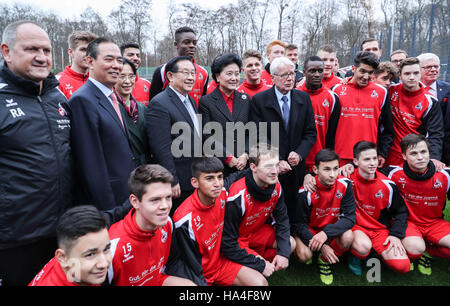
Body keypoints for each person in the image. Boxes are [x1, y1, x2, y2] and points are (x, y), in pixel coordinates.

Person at [0, 20, 73, 286]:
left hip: (61, 234)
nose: (42, 57)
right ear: (6, 52)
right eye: (32, 49)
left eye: (47, 50)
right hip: (15, 239)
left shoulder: (58, 98)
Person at [166, 157, 267, 286]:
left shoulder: (222, 193)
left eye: (219, 177)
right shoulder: (183, 220)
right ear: (195, 182)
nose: (217, 183)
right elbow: (187, 262)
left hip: (220, 262)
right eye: (209, 178)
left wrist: (261, 168)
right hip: (199, 273)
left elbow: (237, 175)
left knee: (260, 283)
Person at [69, 37, 135, 211]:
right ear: (90, 61)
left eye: (119, 60)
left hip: (125, 194)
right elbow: (90, 164)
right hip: (109, 203)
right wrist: (110, 211)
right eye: (108, 59)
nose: (116, 65)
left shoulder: (112, 98)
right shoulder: (82, 100)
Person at [250, 56, 317, 222]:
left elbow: (310, 133)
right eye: (284, 75)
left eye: (293, 74)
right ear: (272, 78)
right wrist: (277, 160)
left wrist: (300, 154)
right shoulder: (260, 100)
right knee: (274, 213)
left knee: (296, 213)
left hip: (296, 168)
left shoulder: (303, 98)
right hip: (271, 168)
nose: (290, 78)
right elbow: (258, 135)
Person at [108, 164, 196, 286]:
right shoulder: (112, 246)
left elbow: (173, 262)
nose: (165, 206)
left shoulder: (168, 224)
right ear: (135, 202)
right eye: (155, 200)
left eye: (168, 197)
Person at [221, 144, 295, 278]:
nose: (274, 171)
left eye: (276, 165)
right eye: (268, 166)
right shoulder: (236, 196)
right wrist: (260, 264)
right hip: (236, 241)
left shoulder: (276, 185)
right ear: (253, 167)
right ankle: (254, 266)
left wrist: (283, 254)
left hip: (256, 232)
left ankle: (258, 263)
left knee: (290, 244)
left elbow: (282, 220)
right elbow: (227, 244)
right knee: (259, 282)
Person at [385, 134, 449, 274]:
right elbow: (368, 172)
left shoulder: (445, 174)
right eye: (413, 153)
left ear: (429, 153)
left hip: (435, 223)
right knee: (415, 249)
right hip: (409, 223)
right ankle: (419, 251)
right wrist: (350, 167)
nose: (420, 157)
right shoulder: (393, 173)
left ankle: (429, 251)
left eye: (423, 152)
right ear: (403, 156)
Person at [146, 56, 202, 214]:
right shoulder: (159, 103)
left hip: (193, 175)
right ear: (170, 76)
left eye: (193, 73)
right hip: (178, 182)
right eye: (185, 73)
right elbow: (161, 147)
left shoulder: (189, 100)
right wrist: (171, 180)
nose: (191, 77)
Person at [292, 149, 355, 285]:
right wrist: (322, 246)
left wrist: (326, 234)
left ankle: (324, 261)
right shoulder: (305, 192)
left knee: (348, 237)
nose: (332, 175)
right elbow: (298, 224)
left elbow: (350, 218)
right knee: (304, 256)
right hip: (311, 230)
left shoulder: (345, 185)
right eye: (326, 169)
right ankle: (315, 251)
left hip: (330, 230)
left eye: (335, 169)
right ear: (315, 169)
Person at [347, 141, 410, 276]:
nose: (372, 163)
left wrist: (395, 235)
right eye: (367, 159)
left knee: (402, 266)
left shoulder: (388, 185)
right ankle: (356, 256)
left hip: (379, 229)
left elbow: (401, 212)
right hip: (356, 227)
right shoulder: (347, 180)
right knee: (363, 247)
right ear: (356, 162)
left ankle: (374, 253)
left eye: (374, 158)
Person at [332, 51, 394, 167]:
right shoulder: (336, 89)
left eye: (370, 73)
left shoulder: (381, 92)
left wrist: (382, 153)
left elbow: (387, 129)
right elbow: (329, 127)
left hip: (367, 159)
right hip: (339, 157)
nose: (366, 77)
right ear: (353, 68)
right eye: (362, 71)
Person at [29, 206, 112, 286]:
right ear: (62, 258)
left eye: (106, 249)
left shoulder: (72, 263)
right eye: (90, 254)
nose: (104, 264)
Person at [385, 57, 444, 169]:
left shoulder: (430, 101)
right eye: (407, 73)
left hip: (415, 157)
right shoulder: (390, 90)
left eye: (415, 73)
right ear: (400, 76)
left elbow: (436, 133)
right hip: (389, 155)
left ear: (420, 74)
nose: (412, 77)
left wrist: (434, 156)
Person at [198, 53, 250, 176]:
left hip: (244, 165)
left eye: (237, 74)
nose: (234, 78)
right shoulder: (206, 102)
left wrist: (246, 154)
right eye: (229, 73)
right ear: (217, 76)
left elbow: (251, 130)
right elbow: (207, 135)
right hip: (218, 165)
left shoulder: (245, 99)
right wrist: (227, 157)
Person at [296, 56, 340, 171]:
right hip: (296, 160)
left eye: (320, 71)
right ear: (304, 72)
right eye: (312, 71)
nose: (317, 74)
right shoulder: (294, 94)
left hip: (319, 162)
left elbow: (332, 134)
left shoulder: (332, 98)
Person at [150, 26, 209, 106]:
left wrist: (198, 118)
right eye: (186, 42)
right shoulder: (162, 70)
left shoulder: (204, 72)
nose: (192, 46)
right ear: (176, 44)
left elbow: (202, 103)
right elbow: (153, 102)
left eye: (194, 43)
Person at [114, 57, 151, 168]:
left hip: (145, 169)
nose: (127, 81)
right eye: (122, 76)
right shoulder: (109, 108)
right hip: (123, 168)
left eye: (131, 76)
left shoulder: (142, 108)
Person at [56, 30, 98, 99]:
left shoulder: (99, 81)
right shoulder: (57, 82)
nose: (88, 54)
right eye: (83, 50)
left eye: (91, 50)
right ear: (71, 52)